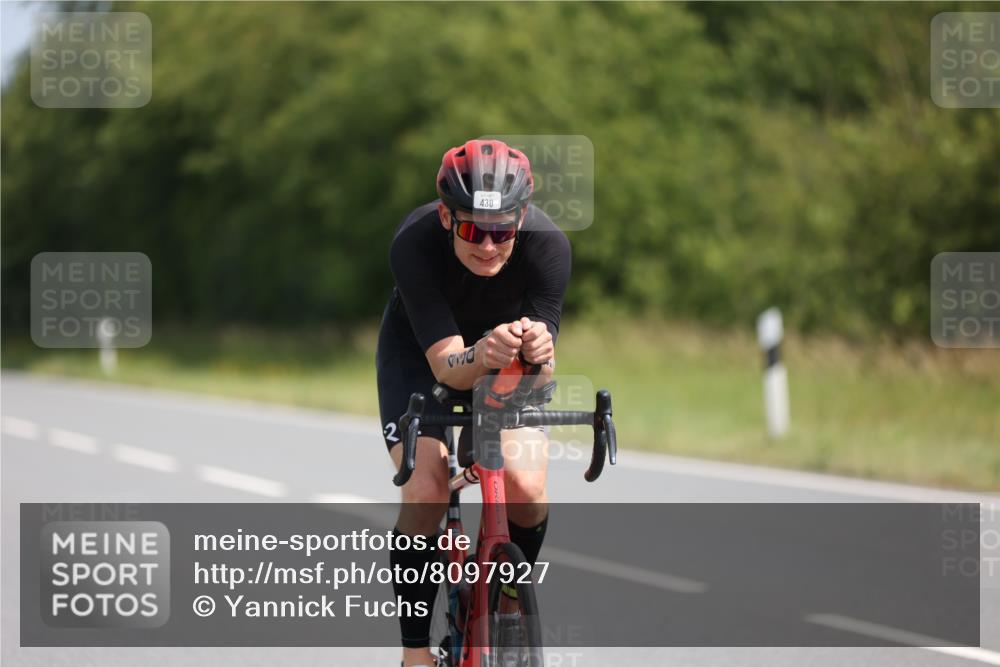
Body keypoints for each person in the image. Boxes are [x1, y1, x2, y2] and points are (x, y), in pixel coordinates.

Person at [376, 138, 571, 667]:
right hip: (421, 356)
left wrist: (541, 356)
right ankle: (415, 650)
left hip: (506, 364)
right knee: (427, 490)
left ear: (521, 219)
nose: (487, 246)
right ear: (446, 216)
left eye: (502, 232)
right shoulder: (413, 243)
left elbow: (540, 375)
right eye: (472, 231)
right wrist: (483, 351)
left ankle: (507, 603)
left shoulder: (549, 247)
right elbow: (445, 366)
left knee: (526, 485)